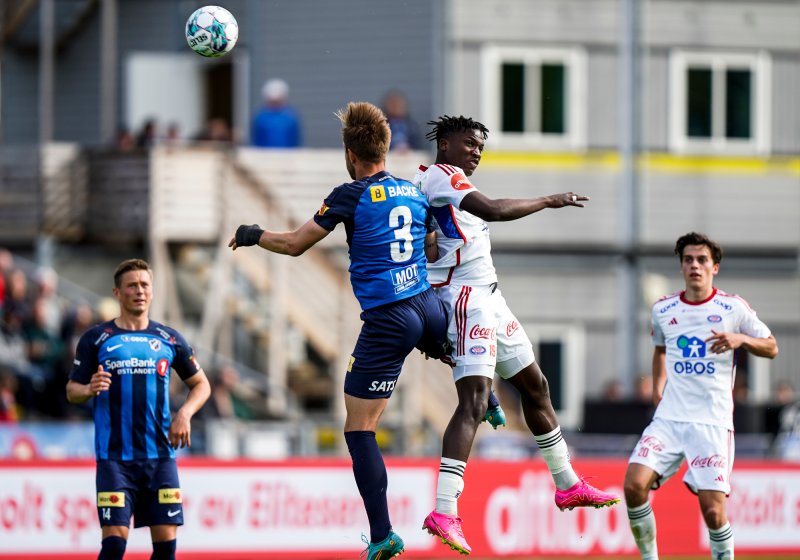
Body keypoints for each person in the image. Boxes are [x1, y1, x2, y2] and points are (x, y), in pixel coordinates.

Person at [230, 101, 452, 560]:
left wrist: (254, 234)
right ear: (385, 148)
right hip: (427, 305)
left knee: (359, 429)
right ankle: (485, 395)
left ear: (351, 153)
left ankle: (382, 534)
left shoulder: (349, 194)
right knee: (443, 345)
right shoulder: (413, 191)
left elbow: (294, 245)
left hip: (389, 319)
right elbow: (431, 247)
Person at [414, 115, 620, 554]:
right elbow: (493, 211)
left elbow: (436, 240)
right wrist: (548, 200)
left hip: (489, 296)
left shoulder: (433, 180)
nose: (476, 152)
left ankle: (566, 484)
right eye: (469, 143)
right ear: (445, 144)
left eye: (480, 147)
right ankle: (444, 508)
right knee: (472, 401)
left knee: (536, 386)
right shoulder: (443, 176)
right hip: (467, 299)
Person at [623, 232, 778, 560]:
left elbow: (772, 346)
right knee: (634, 485)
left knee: (713, 512)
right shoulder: (663, 309)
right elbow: (661, 350)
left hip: (711, 421)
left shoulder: (732, 308)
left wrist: (741, 339)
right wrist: (657, 388)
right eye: (688, 259)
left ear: (714, 267)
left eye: (702, 260)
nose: (695, 265)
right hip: (669, 418)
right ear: (681, 266)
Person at [66, 259, 211, 560]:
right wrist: (89, 388)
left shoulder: (169, 339)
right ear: (117, 293)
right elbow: (72, 391)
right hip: (114, 461)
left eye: (145, 285)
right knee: (115, 545)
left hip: (160, 458)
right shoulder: (96, 339)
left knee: (166, 550)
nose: (139, 291)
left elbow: (202, 385)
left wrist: (183, 414)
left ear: (152, 292)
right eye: (132, 285)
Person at [251, 78, 302, 148]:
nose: (275, 103)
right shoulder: (261, 118)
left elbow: (295, 140)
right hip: (264, 156)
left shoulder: (290, 117)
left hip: (288, 156)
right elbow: (256, 140)